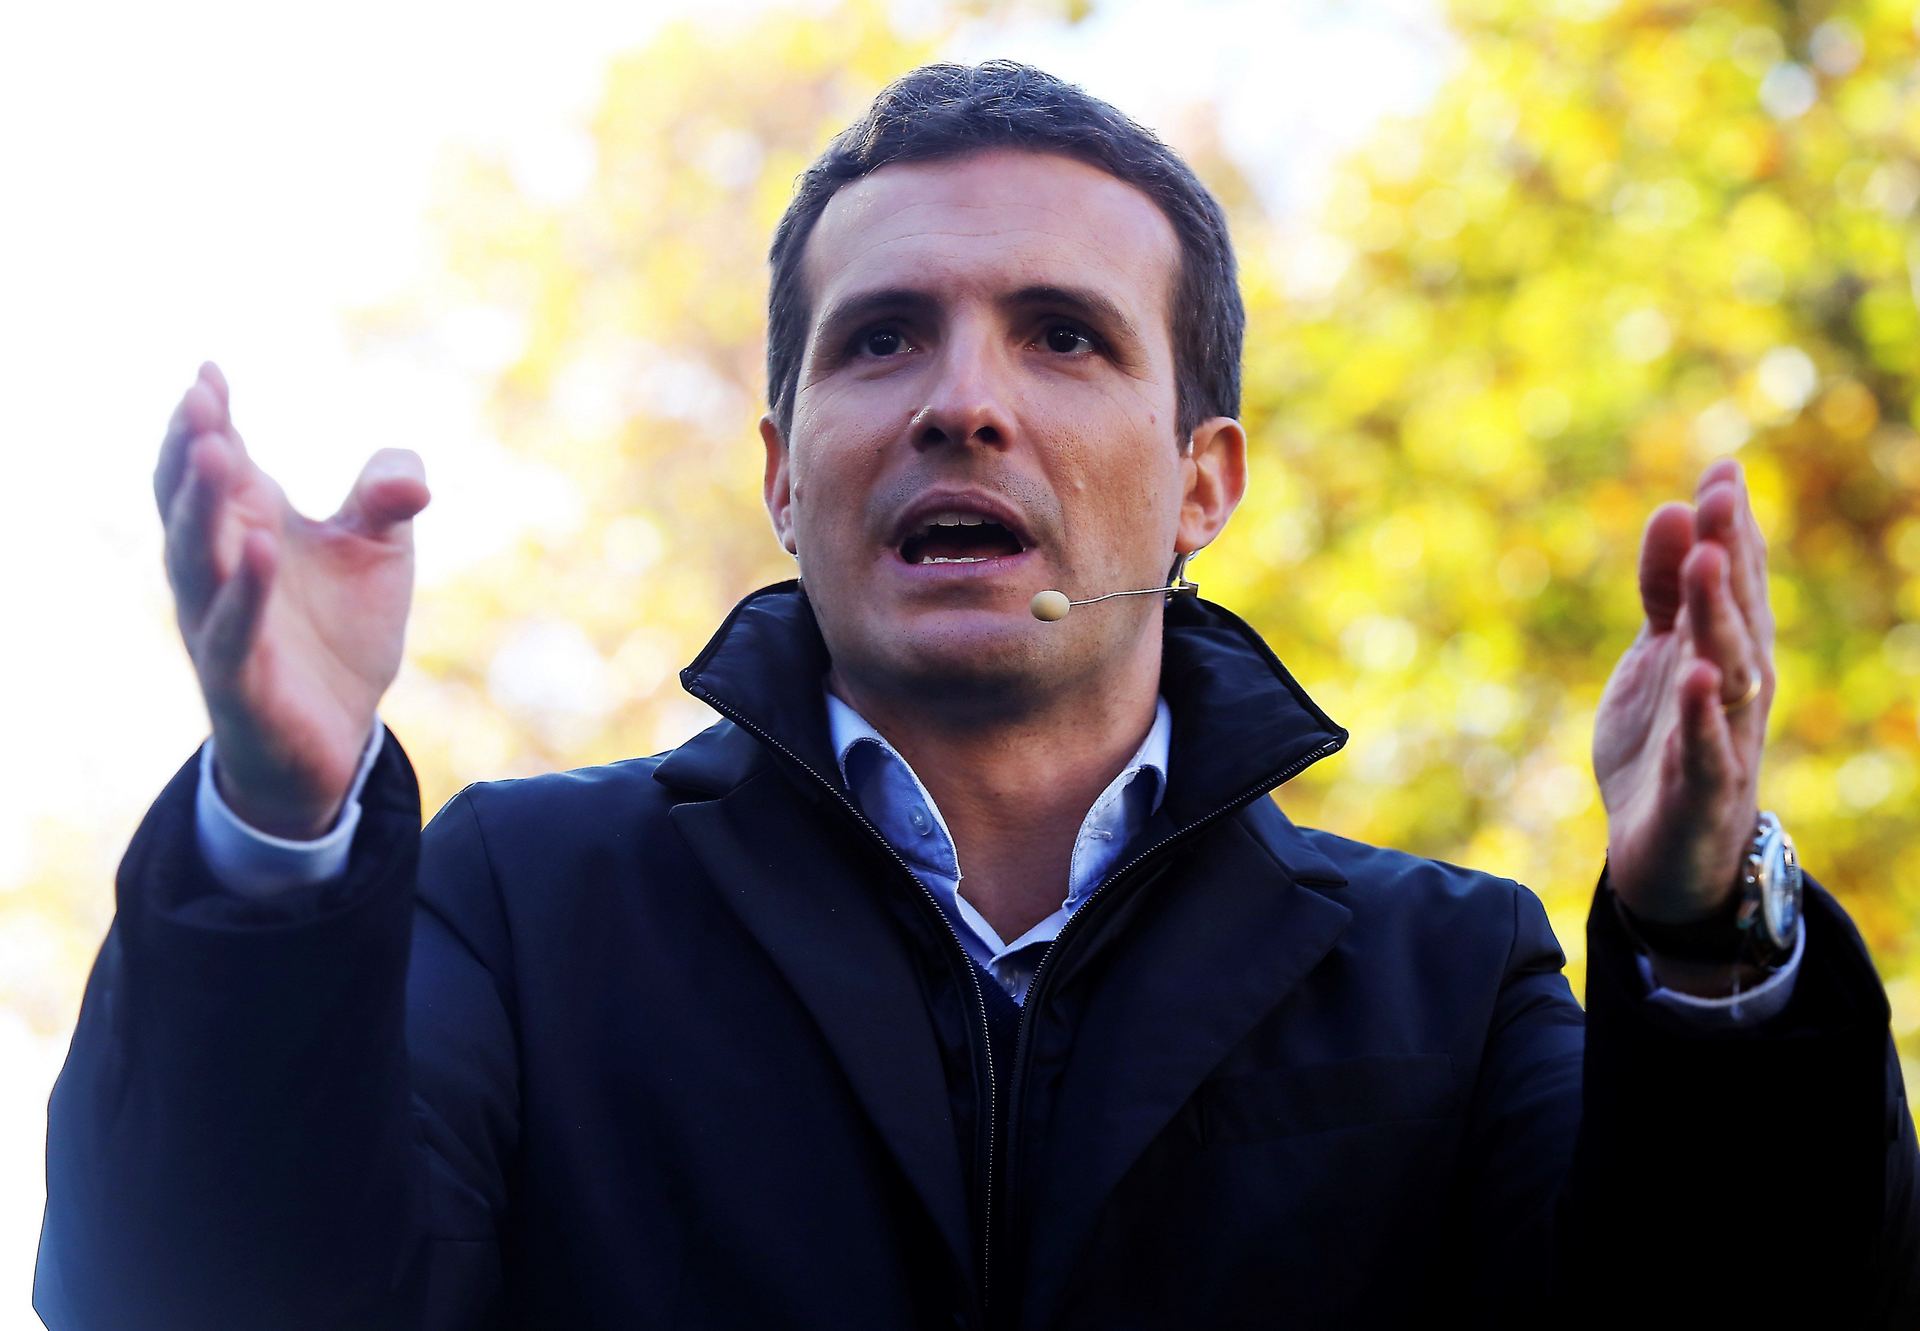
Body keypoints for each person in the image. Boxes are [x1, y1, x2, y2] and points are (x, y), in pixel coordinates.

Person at [34, 60, 1920, 1329]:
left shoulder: (1447, 973)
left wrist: (1705, 923)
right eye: (883, 340)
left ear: (1204, 483)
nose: (963, 398)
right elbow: (193, 1299)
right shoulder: (519, 909)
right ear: (784, 467)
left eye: (1064, 336)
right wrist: (277, 823)